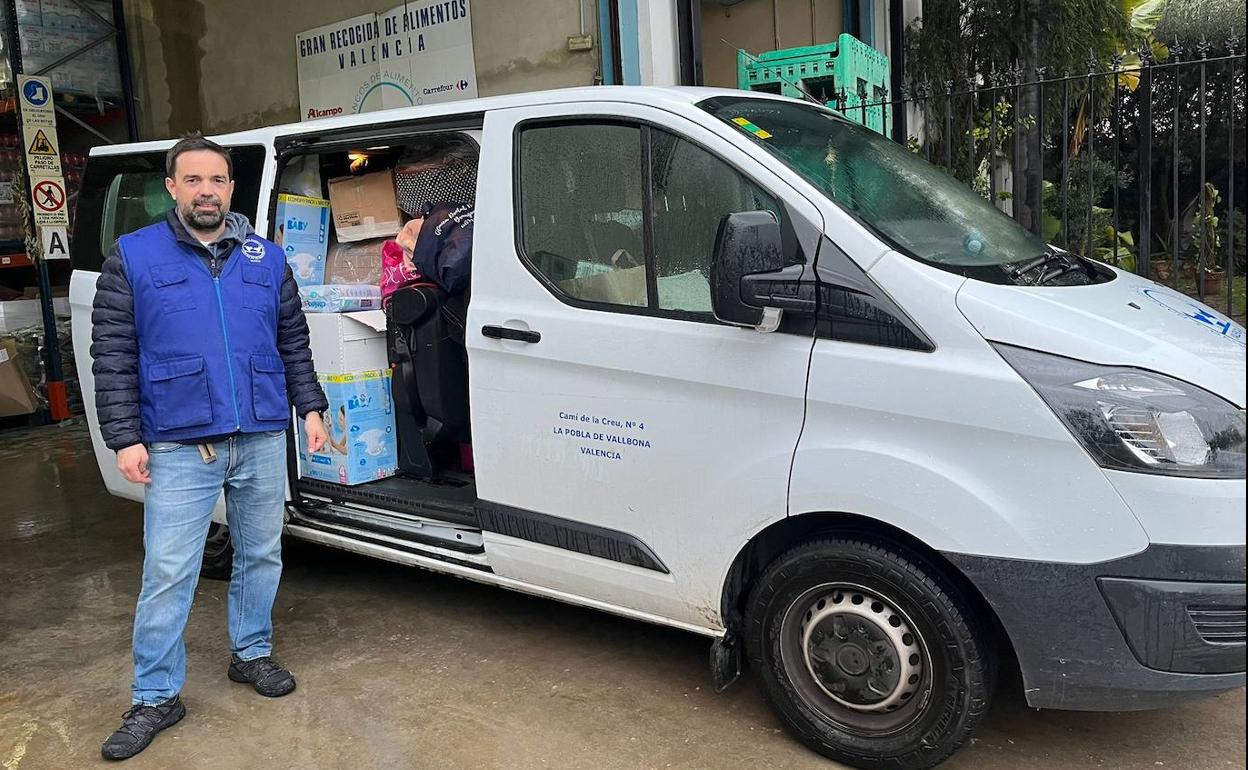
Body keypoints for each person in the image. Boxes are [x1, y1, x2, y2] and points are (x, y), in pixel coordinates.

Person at [90, 133, 330, 761]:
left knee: (261, 553)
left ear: (231, 188)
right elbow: (112, 356)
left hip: (256, 432)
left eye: (217, 181)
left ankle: (250, 653)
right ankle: (155, 695)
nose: (206, 192)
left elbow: (292, 341)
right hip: (175, 440)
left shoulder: (265, 258)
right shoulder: (133, 256)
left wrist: (311, 407)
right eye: (192, 180)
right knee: (170, 572)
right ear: (172, 188)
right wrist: (124, 437)